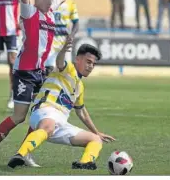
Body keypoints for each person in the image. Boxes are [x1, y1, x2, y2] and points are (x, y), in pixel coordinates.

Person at [0, 0, 86, 167]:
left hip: (39, 72)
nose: (50, 0)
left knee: (39, 114)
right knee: (19, 116)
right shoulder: (30, 12)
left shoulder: (50, 11)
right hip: (24, 73)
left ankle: (25, 152)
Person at [7, 39, 115, 170]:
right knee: (49, 126)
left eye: (93, 64)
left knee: (95, 140)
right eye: (88, 62)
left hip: (61, 123)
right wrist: (63, 50)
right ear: (78, 59)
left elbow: (81, 112)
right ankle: (20, 155)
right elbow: (59, 61)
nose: (90, 66)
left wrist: (97, 132)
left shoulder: (80, 86)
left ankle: (84, 163)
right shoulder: (68, 69)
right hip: (44, 111)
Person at [45, 0, 79, 75]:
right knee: (49, 70)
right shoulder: (46, 3)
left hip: (64, 42)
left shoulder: (70, 4)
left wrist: (72, 35)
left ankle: (65, 90)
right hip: (49, 41)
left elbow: (76, 23)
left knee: (65, 70)